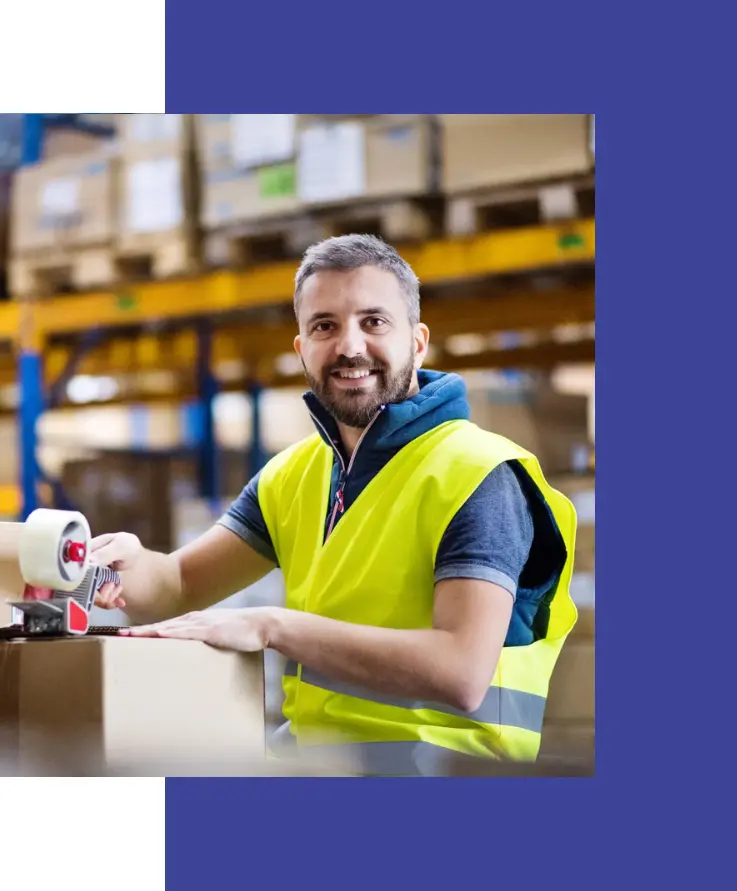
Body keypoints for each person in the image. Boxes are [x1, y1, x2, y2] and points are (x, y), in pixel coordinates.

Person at [89, 234, 579, 777]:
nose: (350, 346)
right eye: (325, 326)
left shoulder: (477, 474)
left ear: (417, 342)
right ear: (301, 348)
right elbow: (179, 585)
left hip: (444, 779)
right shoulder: (293, 475)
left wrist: (273, 625)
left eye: (374, 322)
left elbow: (461, 672)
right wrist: (126, 568)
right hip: (321, 769)